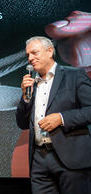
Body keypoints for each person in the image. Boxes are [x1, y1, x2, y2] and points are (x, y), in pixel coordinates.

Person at [16, 36, 91, 194]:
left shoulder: (74, 75)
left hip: (71, 158)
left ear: (50, 51)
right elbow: (22, 123)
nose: (30, 58)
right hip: (39, 159)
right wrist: (25, 97)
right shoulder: (31, 85)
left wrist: (62, 118)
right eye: (27, 55)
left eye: (34, 53)